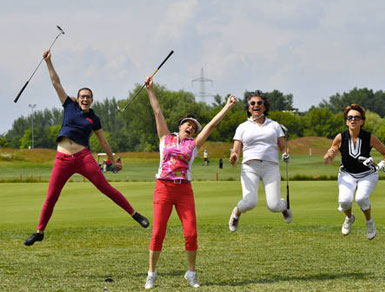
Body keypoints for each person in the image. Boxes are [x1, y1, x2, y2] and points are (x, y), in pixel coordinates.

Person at [23, 50, 149, 246]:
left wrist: (113, 160)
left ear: (92, 100)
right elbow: (56, 83)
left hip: (83, 158)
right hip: (62, 159)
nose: (85, 99)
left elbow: (103, 141)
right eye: (82, 96)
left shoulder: (94, 118)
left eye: (88, 97)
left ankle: (134, 214)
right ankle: (39, 232)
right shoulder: (68, 105)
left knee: (106, 188)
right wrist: (48, 62)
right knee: (51, 197)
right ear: (77, 98)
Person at [144, 76, 236, 289]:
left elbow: (212, 125)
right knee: (158, 232)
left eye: (194, 127)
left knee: (191, 233)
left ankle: (191, 273)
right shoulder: (165, 138)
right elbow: (157, 112)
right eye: (189, 124)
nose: (192, 128)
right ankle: (152, 273)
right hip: (163, 188)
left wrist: (227, 106)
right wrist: (150, 90)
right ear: (180, 125)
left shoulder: (193, 145)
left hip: (184, 190)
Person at [323, 104, 385, 240]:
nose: (353, 120)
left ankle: (369, 222)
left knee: (361, 198)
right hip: (346, 174)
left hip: (368, 174)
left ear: (362, 121)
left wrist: (383, 162)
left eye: (356, 117)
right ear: (346, 121)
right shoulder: (340, 137)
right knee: (344, 201)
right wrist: (329, 156)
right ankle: (349, 218)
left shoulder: (369, 137)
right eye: (350, 117)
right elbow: (330, 153)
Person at [228, 91, 291, 232]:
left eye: (259, 103)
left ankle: (283, 207)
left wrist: (286, 153)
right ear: (249, 107)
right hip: (250, 167)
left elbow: (283, 145)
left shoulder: (274, 125)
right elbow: (237, 149)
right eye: (252, 103)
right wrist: (234, 156)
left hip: (271, 166)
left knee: (274, 205)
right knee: (249, 202)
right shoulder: (242, 127)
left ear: (264, 107)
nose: (256, 105)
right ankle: (236, 213)